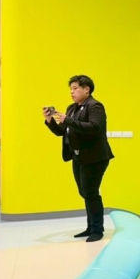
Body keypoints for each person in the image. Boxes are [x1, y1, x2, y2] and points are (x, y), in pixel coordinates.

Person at [42, 75, 114, 243]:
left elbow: (95, 128)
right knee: (85, 192)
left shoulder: (95, 106)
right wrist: (49, 120)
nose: (72, 92)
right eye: (71, 89)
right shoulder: (72, 108)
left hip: (94, 157)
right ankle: (90, 227)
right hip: (78, 156)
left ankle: (97, 230)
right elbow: (62, 131)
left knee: (90, 192)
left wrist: (69, 120)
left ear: (86, 89)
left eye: (75, 88)